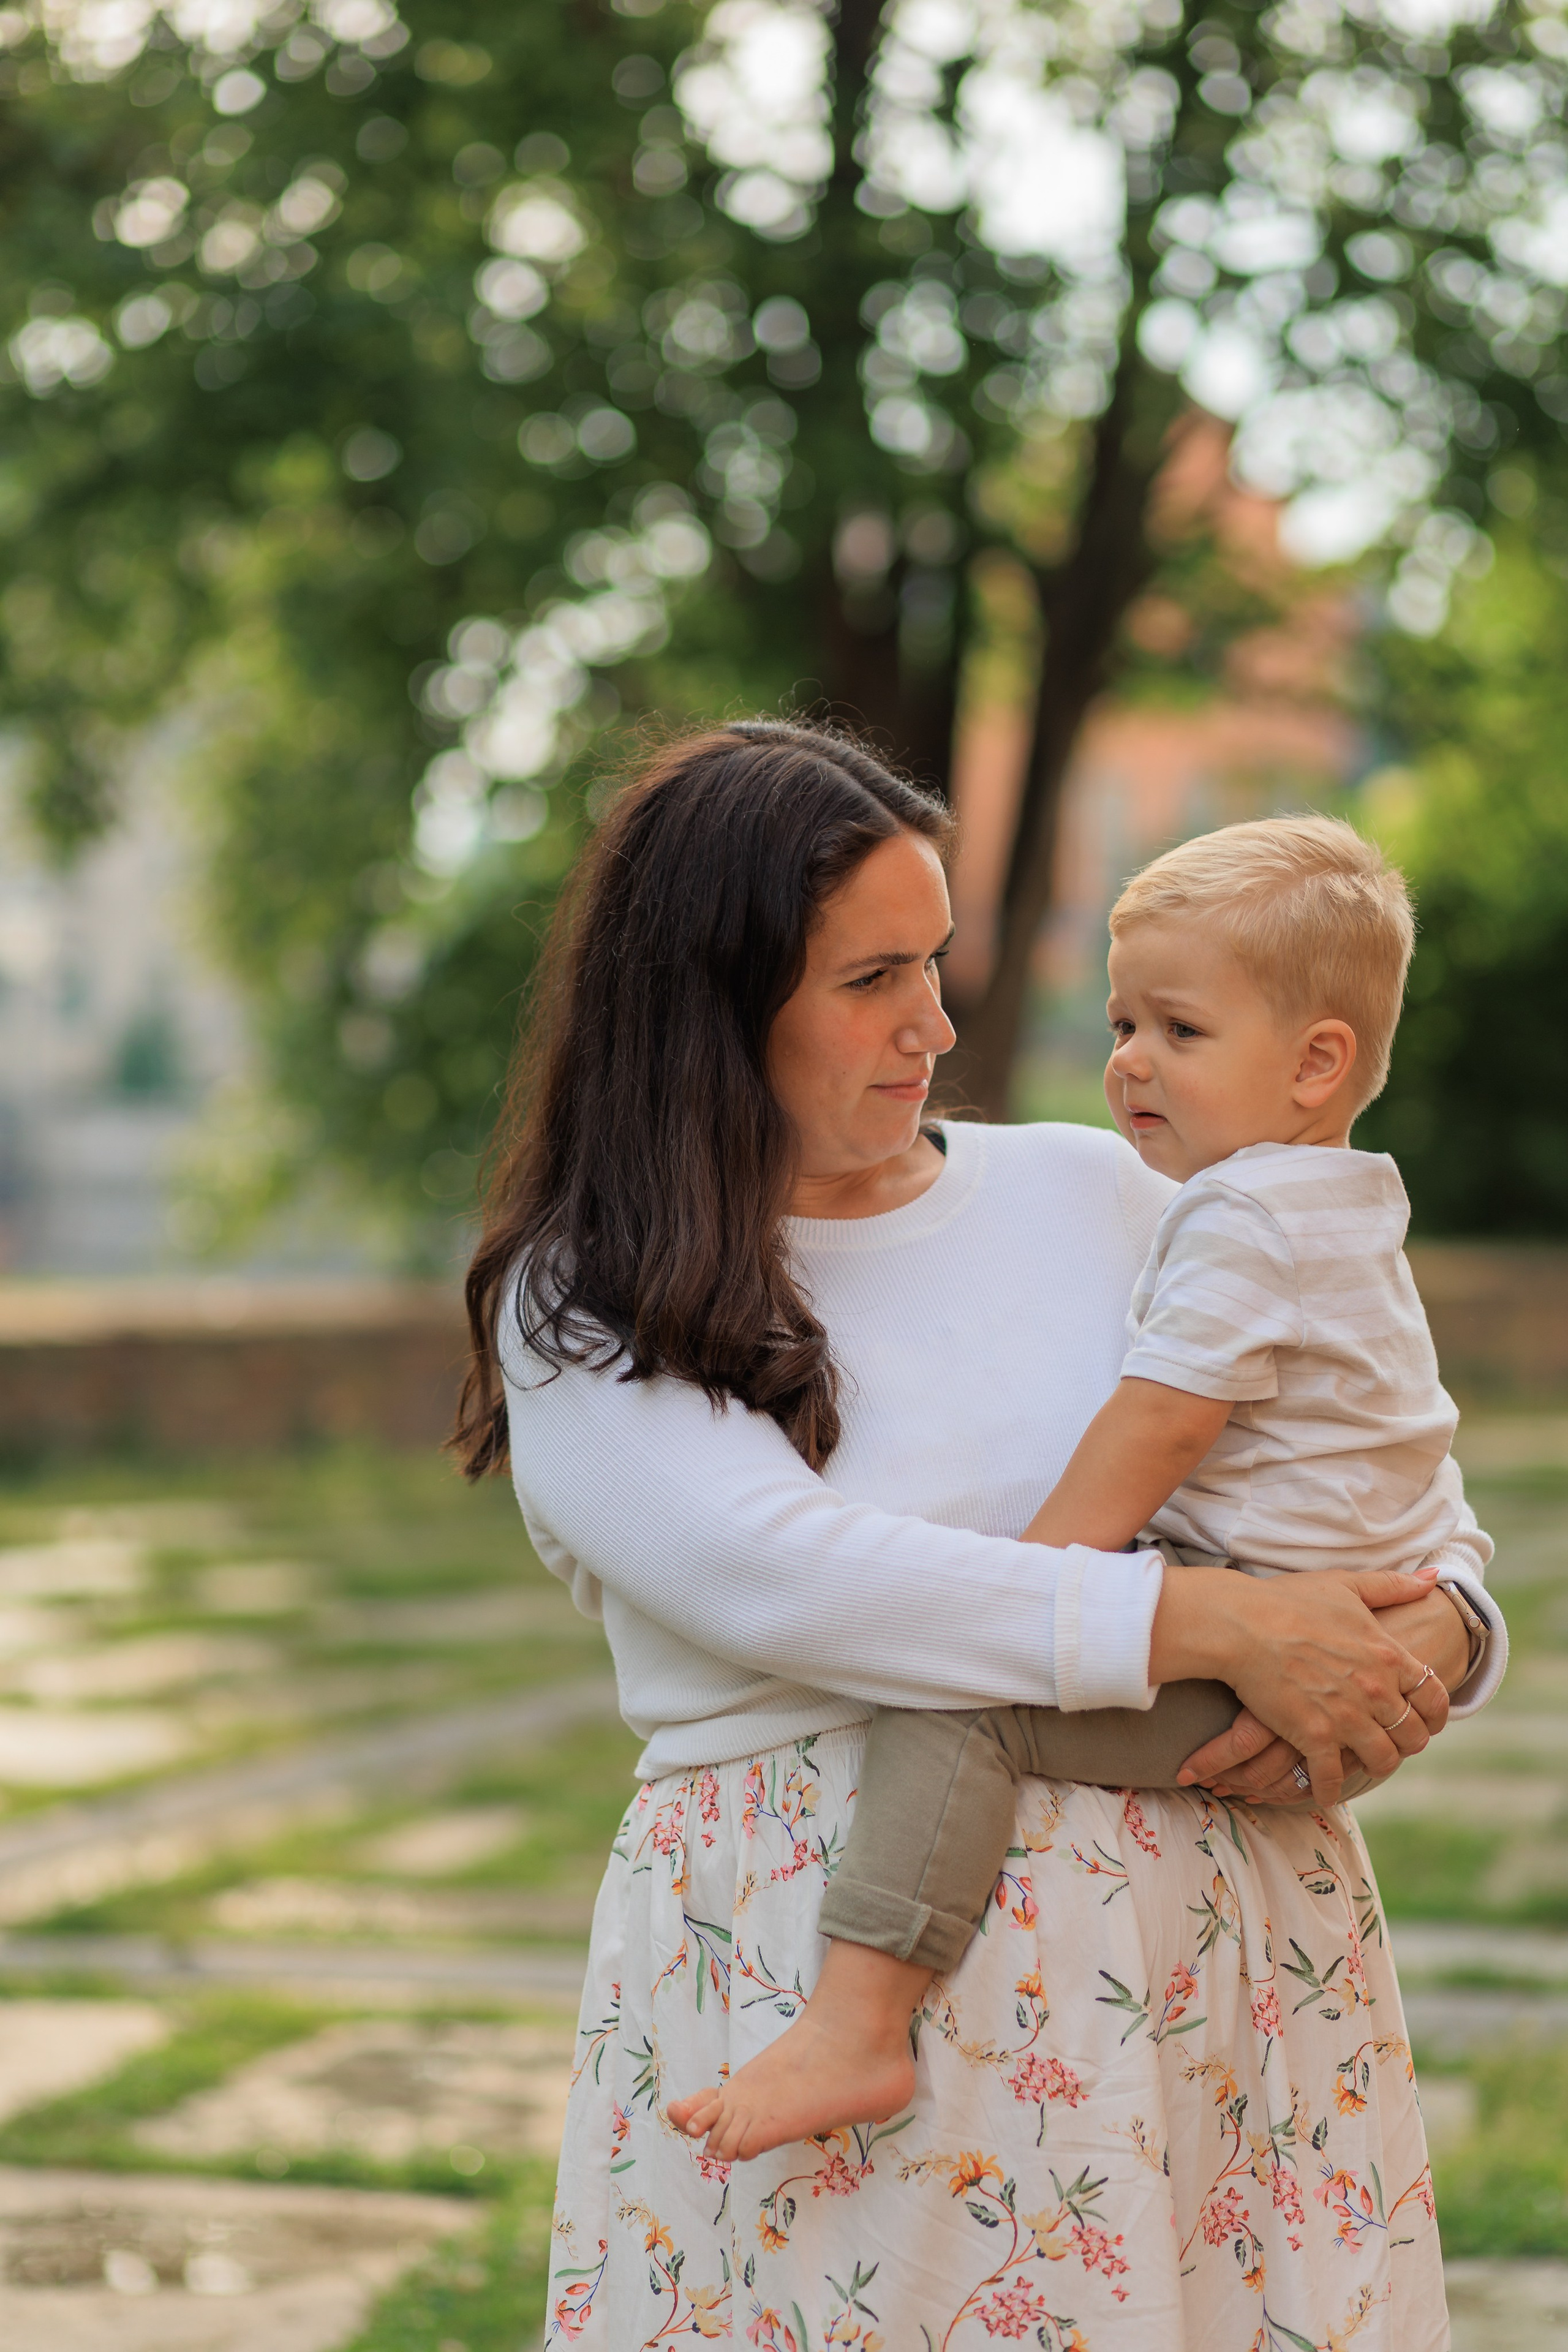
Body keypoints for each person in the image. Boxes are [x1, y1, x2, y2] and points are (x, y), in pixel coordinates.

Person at [455, 721, 1504, 2350]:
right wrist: (1211, 1628)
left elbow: (1353, 1434)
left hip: (1215, 1998)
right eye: (873, 978)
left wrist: (1450, 1620)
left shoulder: (1103, 1194)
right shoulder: (587, 1297)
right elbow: (779, 1575)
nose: (935, 1023)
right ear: (717, 1002)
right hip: (834, 1984)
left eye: (938, 963)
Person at [670, 815, 1496, 2167]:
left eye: (1175, 1031)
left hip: (1268, 1662)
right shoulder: (1345, 1205)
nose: (1125, 1064)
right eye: (1120, 1024)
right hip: (1304, 1625)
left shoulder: (1233, 1216)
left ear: (1315, 1062)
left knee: (967, 1706)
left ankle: (857, 2020)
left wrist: (1042, 1574)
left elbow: (1160, 1423)